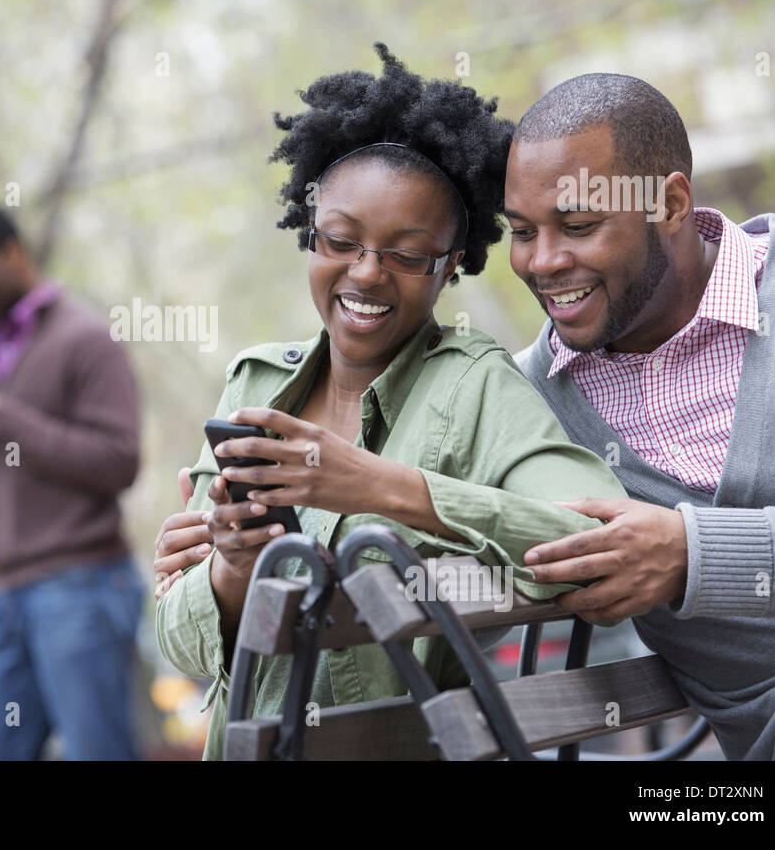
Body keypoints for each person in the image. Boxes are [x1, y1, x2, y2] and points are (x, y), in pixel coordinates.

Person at [153, 43, 629, 760]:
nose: (368, 274)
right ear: (310, 235)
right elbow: (182, 644)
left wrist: (383, 486)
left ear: (451, 266)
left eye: (408, 254)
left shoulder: (473, 384)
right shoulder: (254, 385)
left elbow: (599, 542)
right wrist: (228, 569)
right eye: (341, 241)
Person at [503, 73, 775, 760]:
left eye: (579, 225)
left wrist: (691, 553)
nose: (544, 261)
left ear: (670, 203)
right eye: (522, 231)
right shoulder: (532, 403)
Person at [0, 201, 144, 760]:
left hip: (83, 583)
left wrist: (1, 417)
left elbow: (120, 462)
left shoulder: (86, 337)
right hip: (9, 591)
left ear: (13, 252)